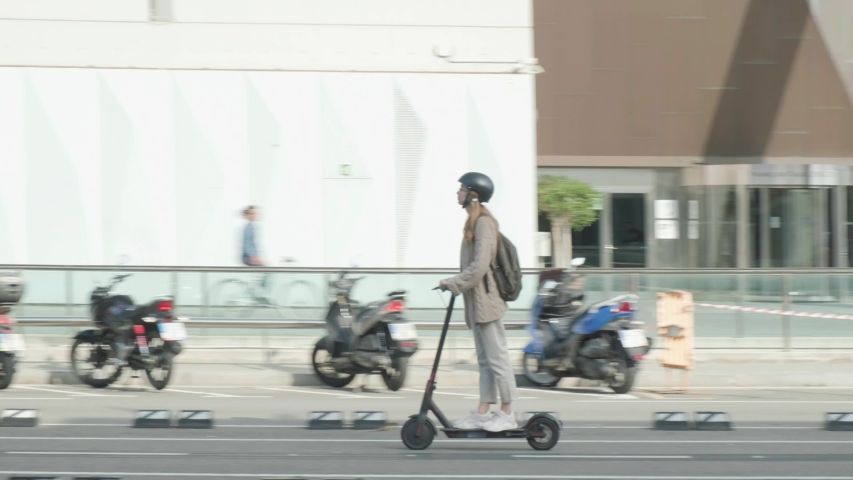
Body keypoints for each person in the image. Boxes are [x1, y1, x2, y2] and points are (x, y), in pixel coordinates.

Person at [438, 172, 519, 432]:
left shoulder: (484, 223)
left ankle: (507, 412)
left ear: (473, 194)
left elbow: (480, 266)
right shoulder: (473, 222)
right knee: (485, 361)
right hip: (477, 304)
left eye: (462, 189)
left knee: (498, 360)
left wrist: (454, 283)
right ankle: (483, 412)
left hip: (488, 303)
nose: (458, 193)